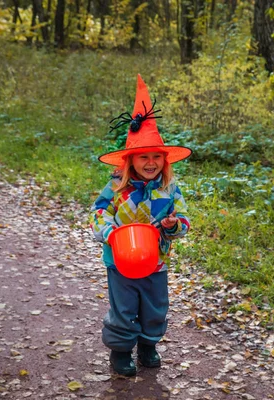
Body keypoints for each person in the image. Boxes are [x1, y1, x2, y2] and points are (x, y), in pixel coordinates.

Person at [89, 75, 192, 376]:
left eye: (156, 157)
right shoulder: (117, 187)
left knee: (155, 306)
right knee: (124, 309)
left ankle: (148, 344)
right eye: (143, 157)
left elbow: (184, 220)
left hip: (156, 262)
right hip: (120, 261)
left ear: (164, 160)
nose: (150, 163)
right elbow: (98, 211)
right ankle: (121, 351)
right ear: (130, 161)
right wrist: (109, 232)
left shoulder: (170, 188)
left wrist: (174, 225)